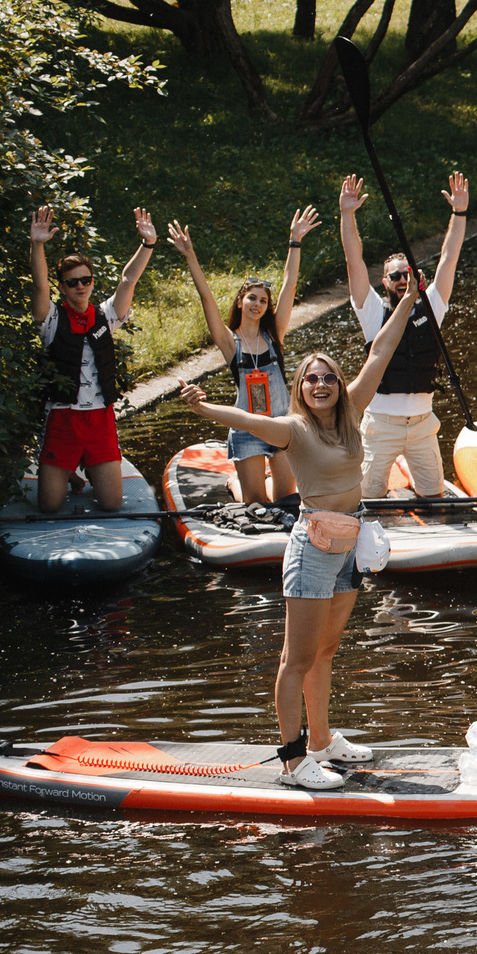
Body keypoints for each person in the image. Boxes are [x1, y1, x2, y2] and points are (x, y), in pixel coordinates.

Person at [177, 282, 417, 789]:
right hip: (311, 550)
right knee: (297, 659)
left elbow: (381, 350)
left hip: (348, 544)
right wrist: (203, 409)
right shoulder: (293, 429)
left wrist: (408, 302)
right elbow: (245, 418)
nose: (321, 384)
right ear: (300, 388)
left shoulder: (352, 411)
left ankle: (323, 741)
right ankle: (292, 764)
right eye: (311, 379)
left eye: (328, 376)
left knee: (326, 652)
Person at [166, 207, 321, 504]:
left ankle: (255, 480)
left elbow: (289, 284)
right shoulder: (229, 341)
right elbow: (206, 297)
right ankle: (236, 481)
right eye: (252, 297)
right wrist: (189, 255)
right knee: (256, 504)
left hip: (281, 424)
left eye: (263, 300)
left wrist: (295, 240)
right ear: (241, 300)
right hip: (247, 428)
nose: (257, 304)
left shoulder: (274, 335)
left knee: (286, 500)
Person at [337, 170, 470, 500]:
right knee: (368, 498)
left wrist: (459, 212)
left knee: (433, 496)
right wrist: (347, 214)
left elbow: (450, 256)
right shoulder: (371, 312)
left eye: (407, 273)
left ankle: (416, 482)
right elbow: (354, 261)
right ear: (384, 282)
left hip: (423, 424)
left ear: (417, 276)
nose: (401, 279)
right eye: (394, 275)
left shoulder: (433, 305)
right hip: (380, 425)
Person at [30, 205, 157, 514]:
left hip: (100, 419)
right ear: (63, 287)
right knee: (49, 504)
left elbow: (128, 280)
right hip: (63, 418)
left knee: (112, 503)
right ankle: (70, 472)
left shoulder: (105, 315)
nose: (80, 286)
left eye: (85, 280)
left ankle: (82, 465)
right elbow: (39, 286)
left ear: (92, 282)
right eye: (72, 282)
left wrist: (147, 244)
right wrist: (37, 245)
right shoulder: (51, 319)